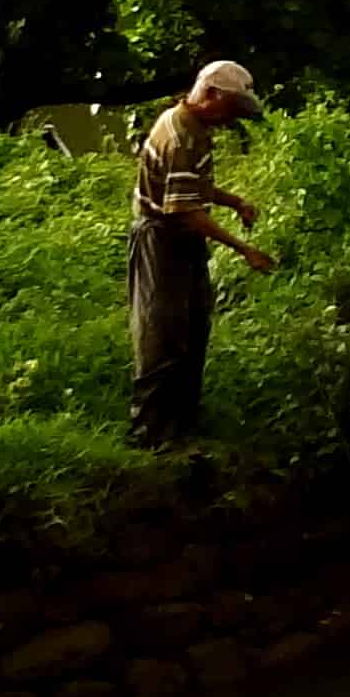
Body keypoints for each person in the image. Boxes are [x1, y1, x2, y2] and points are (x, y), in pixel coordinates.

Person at [127, 57, 271, 449]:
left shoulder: (196, 128)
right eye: (231, 109)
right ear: (210, 95)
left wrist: (233, 201)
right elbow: (185, 211)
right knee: (162, 336)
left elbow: (192, 187)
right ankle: (151, 436)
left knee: (192, 330)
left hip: (180, 239)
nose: (231, 119)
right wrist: (245, 250)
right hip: (161, 239)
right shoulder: (179, 135)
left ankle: (183, 427)